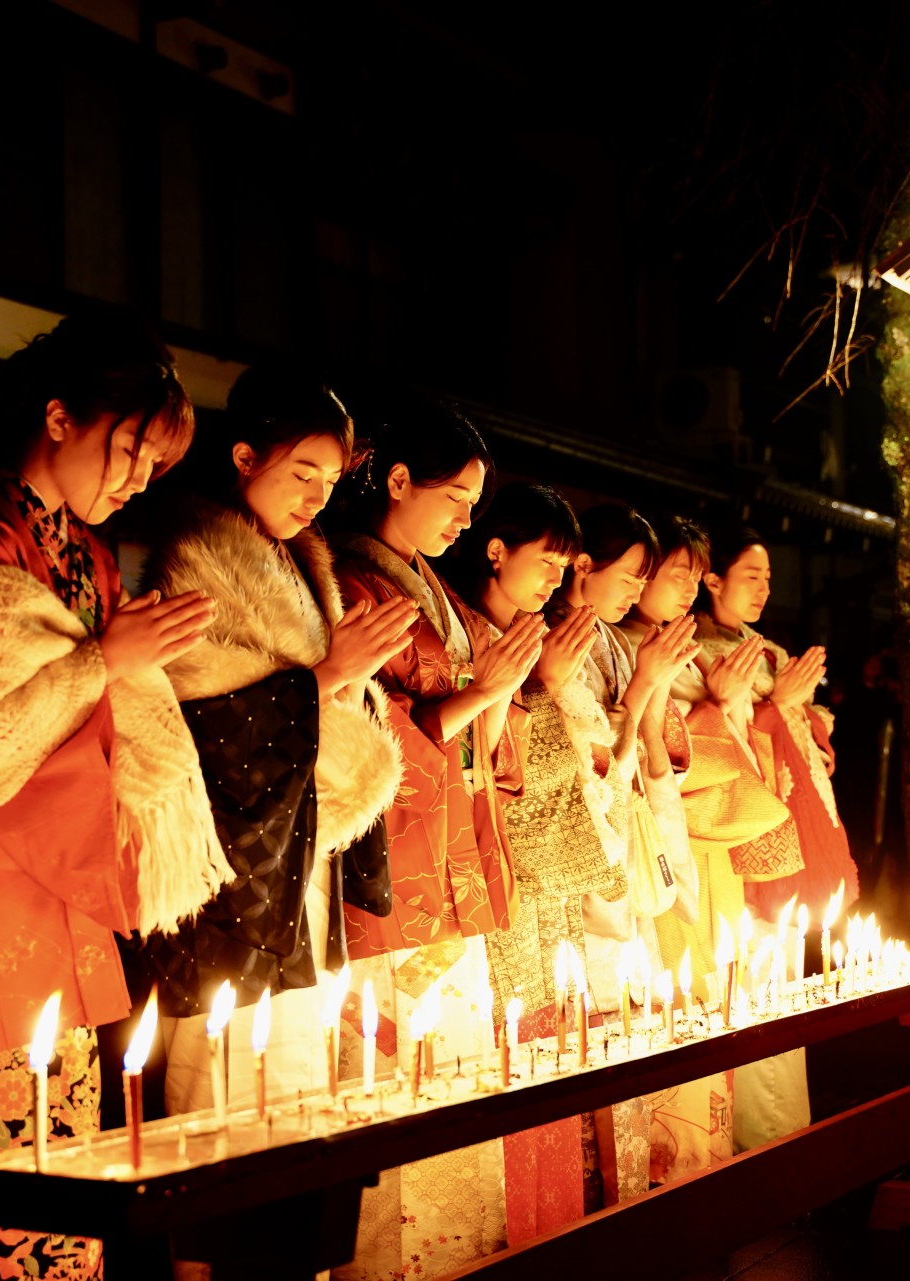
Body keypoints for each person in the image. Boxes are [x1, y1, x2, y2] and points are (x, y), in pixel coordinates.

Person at [0, 310, 223, 1281]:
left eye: (152, 468)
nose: (135, 482)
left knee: (53, 1147)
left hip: (61, 884)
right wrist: (107, 664)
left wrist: (121, 671)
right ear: (59, 416)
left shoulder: (87, 554)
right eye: (127, 452)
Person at [126, 364, 406, 1117]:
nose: (318, 496)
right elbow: (198, 723)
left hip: (299, 846)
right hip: (231, 867)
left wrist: (343, 683)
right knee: (224, 1076)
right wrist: (327, 677)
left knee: (292, 1076)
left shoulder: (302, 558)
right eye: (302, 472)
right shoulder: (194, 555)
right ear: (245, 457)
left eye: (331, 479)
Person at [328, 395, 535, 1277]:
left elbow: (477, 723)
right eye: (454, 497)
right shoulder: (351, 582)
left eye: (472, 506)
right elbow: (369, 727)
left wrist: (493, 700)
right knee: (393, 1079)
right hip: (394, 860)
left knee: (453, 1071)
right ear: (399, 479)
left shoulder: (434, 594)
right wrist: (480, 698)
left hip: (456, 849)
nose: (463, 517)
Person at [449, 481, 603, 1239]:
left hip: (549, 873)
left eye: (564, 565)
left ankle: (553, 1224)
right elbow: (499, 773)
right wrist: (533, 691)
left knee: (551, 1036)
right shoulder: (465, 632)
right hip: (493, 864)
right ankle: (515, 1231)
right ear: (496, 549)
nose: (554, 579)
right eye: (547, 561)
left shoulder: (534, 638)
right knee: (509, 1041)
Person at [631, 514, 810, 1150]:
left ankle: (739, 1144)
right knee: (681, 989)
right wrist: (730, 705)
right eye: (670, 574)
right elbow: (665, 754)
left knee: (730, 989)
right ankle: (686, 1154)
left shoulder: (721, 653)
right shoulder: (650, 650)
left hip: (717, 845)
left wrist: (778, 714)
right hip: (666, 842)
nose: (679, 589)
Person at [558, 505, 715, 1195]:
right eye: (646, 573)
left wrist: (649, 692)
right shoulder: (572, 641)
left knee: (632, 1022)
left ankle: (643, 1188)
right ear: (583, 567)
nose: (648, 587)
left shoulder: (620, 644)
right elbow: (589, 766)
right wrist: (648, 688)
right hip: (584, 857)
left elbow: (663, 752)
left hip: (629, 843)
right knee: (590, 1030)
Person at [690, 525, 857, 920]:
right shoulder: (696, 650)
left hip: (795, 798)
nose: (763, 590)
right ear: (713, 580)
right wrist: (778, 703)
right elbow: (718, 735)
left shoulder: (770, 652)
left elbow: (807, 726)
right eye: (751, 578)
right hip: (746, 802)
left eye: (766, 579)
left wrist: (802, 713)